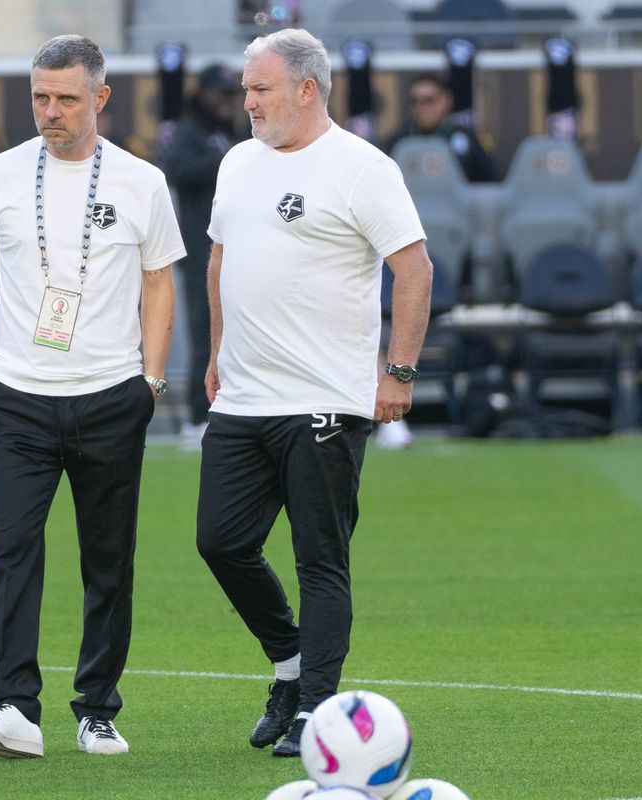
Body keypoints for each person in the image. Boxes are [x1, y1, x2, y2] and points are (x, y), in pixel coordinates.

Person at [196, 29, 432, 758]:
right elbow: (220, 261)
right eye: (245, 88)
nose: (248, 102)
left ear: (307, 89)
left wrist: (397, 372)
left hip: (326, 397)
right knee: (221, 542)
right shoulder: (237, 161)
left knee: (319, 558)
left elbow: (415, 269)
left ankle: (320, 713)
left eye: (260, 89)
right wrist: (215, 354)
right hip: (244, 394)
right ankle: (292, 667)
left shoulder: (363, 168)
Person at [0, 34, 184, 760]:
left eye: (66, 99)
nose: (50, 112)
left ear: (101, 99)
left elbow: (158, 284)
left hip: (112, 395)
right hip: (17, 396)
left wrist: (149, 381)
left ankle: (97, 709)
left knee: (108, 557)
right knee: (12, 549)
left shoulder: (142, 182)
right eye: (40, 98)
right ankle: (14, 707)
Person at [164, 63, 245, 451]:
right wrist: (227, 161)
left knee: (237, 331)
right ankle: (198, 416)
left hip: (238, 249)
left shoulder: (231, 131)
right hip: (201, 250)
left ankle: (230, 407)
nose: (227, 102)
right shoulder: (191, 131)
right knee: (205, 332)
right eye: (220, 95)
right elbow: (178, 172)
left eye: (232, 95)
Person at [387, 73, 496, 183]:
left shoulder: (469, 139)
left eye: (429, 100)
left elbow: (490, 183)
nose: (421, 107)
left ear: (446, 100)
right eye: (415, 101)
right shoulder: (398, 141)